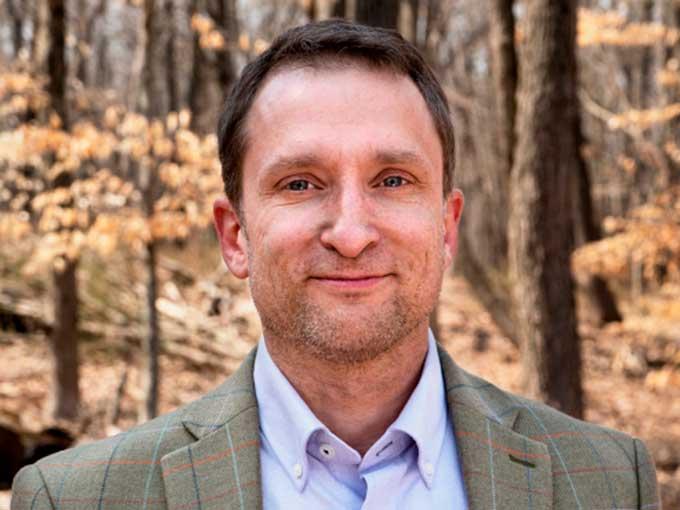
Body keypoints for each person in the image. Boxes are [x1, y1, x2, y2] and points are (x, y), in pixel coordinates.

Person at [12, 20, 659, 510]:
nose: (350, 234)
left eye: (393, 180)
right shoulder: (77, 499)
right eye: (300, 183)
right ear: (235, 236)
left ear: (447, 228)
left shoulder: (606, 482)